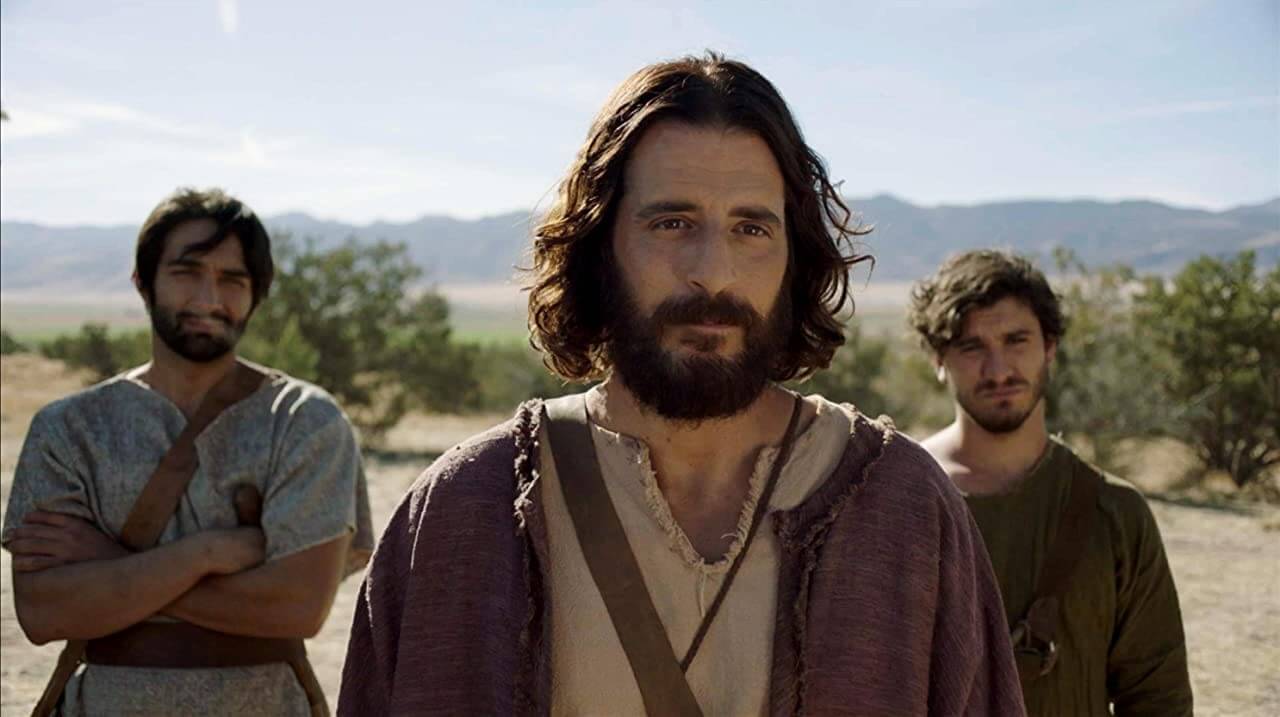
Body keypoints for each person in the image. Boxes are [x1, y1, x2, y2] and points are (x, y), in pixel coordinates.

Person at [339, 53, 1023, 716]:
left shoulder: (903, 509)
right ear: (599, 244)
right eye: (672, 224)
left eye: (751, 228)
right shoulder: (465, 511)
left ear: (794, 257)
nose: (714, 272)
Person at [3, 187, 374, 716]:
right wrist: (204, 554)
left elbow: (297, 608)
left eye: (232, 280)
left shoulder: (303, 421)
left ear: (256, 295)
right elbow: (44, 612)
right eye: (186, 272)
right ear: (143, 281)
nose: (208, 298)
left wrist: (109, 566)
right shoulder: (69, 429)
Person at [910, 250, 1193, 716]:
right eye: (972, 346)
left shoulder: (1114, 514)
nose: (999, 370)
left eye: (1016, 340)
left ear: (1050, 347)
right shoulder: (898, 499)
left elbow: (1158, 698)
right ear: (939, 359)